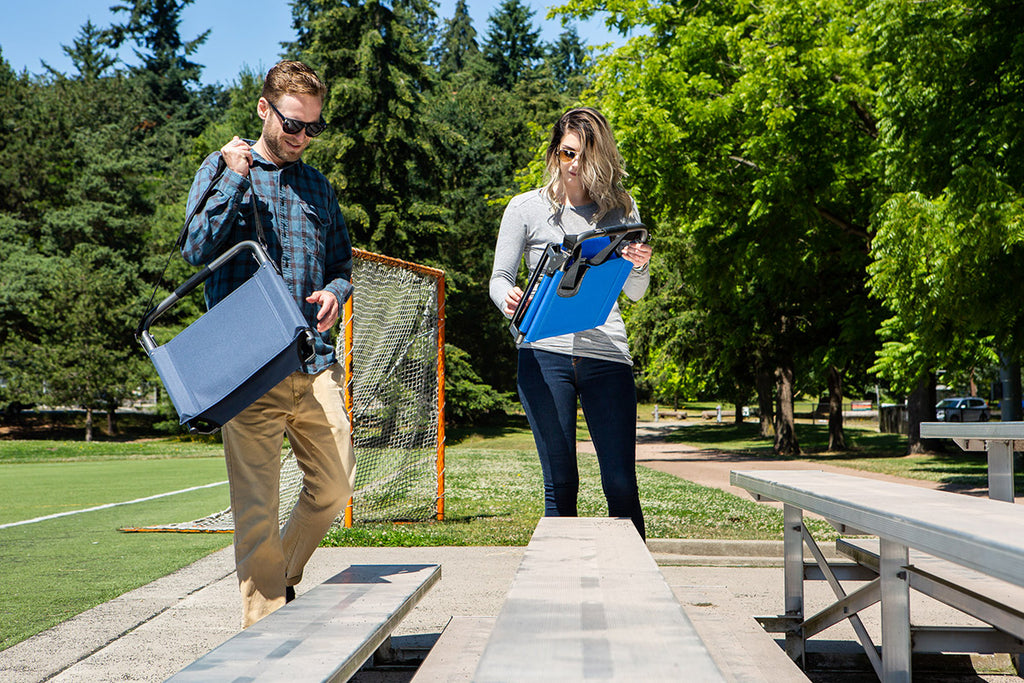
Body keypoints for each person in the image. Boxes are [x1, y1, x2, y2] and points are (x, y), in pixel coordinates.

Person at [181, 60, 355, 627]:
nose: (302, 138)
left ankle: (282, 577)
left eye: (312, 128)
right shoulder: (222, 167)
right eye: (292, 125)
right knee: (256, 513)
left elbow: (340, 262)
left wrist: (333, 292)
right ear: (264, 109)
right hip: (248, 368)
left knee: (334, 486)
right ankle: (264, 638)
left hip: (314, 362)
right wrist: (234, 176)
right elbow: (196, 248)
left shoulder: (317, 186)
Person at [489, 107, 653, 539]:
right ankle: (560, 597)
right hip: (543, 352)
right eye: (566, 154)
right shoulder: (524, 208)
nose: (574, 165)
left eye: (584, 156)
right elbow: (500, 278)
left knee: (620, 484)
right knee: (561, 486)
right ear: (554, 152)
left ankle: (635, 594)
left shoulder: (622, 208)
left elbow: (636, 292)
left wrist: (638, 264)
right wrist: (506, 297)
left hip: (607, 354)